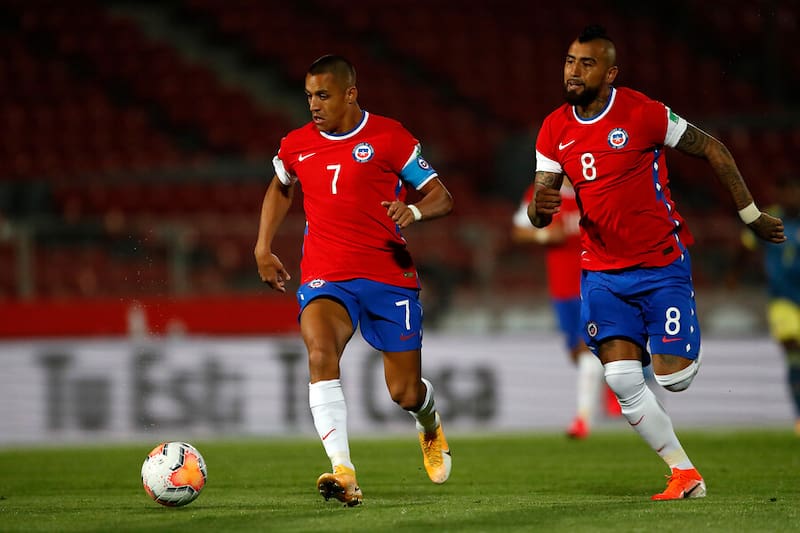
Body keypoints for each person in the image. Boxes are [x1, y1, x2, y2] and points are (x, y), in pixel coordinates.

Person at [527, 25, 786, 500]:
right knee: (622, 378)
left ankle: (681, 337)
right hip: (602, 271)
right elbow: (540, 202)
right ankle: (684, 474)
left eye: (587, 63)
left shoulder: (642, 113)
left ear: (610, 73)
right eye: (569, 61)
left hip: (661, 263)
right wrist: (538, 210)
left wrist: (749, 215)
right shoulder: (552, 128)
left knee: (675, 378)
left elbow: (713, 148)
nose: (574, 71)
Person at [254, 55, 454, 507]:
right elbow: (281, 186)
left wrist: (415, 211)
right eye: (308, 96)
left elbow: (442, 196)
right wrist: (262, 246)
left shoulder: (389, 137)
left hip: (388, 276)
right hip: (327, 276)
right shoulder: (297, 144)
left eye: (323, 95)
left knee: (404, 392)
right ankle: (343, 472)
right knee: (320, 353)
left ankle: (428, 419)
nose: (314, 105)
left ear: (350, 93)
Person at [512, 181, 621, 439]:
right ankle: (618, 374)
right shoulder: (544, 192)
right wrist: (546, 235)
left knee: (587, 346)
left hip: (596, 281)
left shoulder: (596, 185)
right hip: (562, 287)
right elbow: (518, 231)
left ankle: (583, 418)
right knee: (577, 353)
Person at [740, 177, 800, 434]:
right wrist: (736, 273)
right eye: (785, 192)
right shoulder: (769, 218)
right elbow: (744, 246)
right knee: (793, 349)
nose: (790, 198)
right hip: (782, 300)